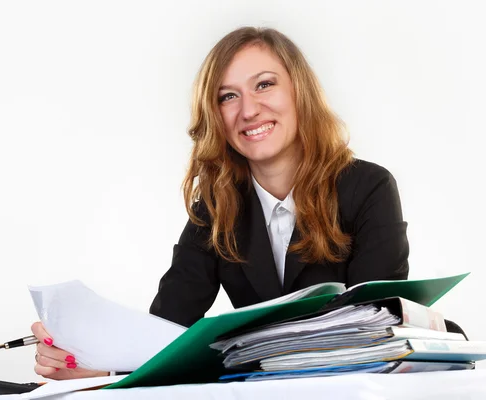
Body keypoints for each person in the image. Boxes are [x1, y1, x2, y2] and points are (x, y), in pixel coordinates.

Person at [30, 26, 409, 379]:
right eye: (228, 96)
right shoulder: (215, 208)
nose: (248, 110)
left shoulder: (368, 186)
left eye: (264, 85)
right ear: (216, 116)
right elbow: (167, 330)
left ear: (299, 91)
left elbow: (377, 324)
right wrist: (98, 365)